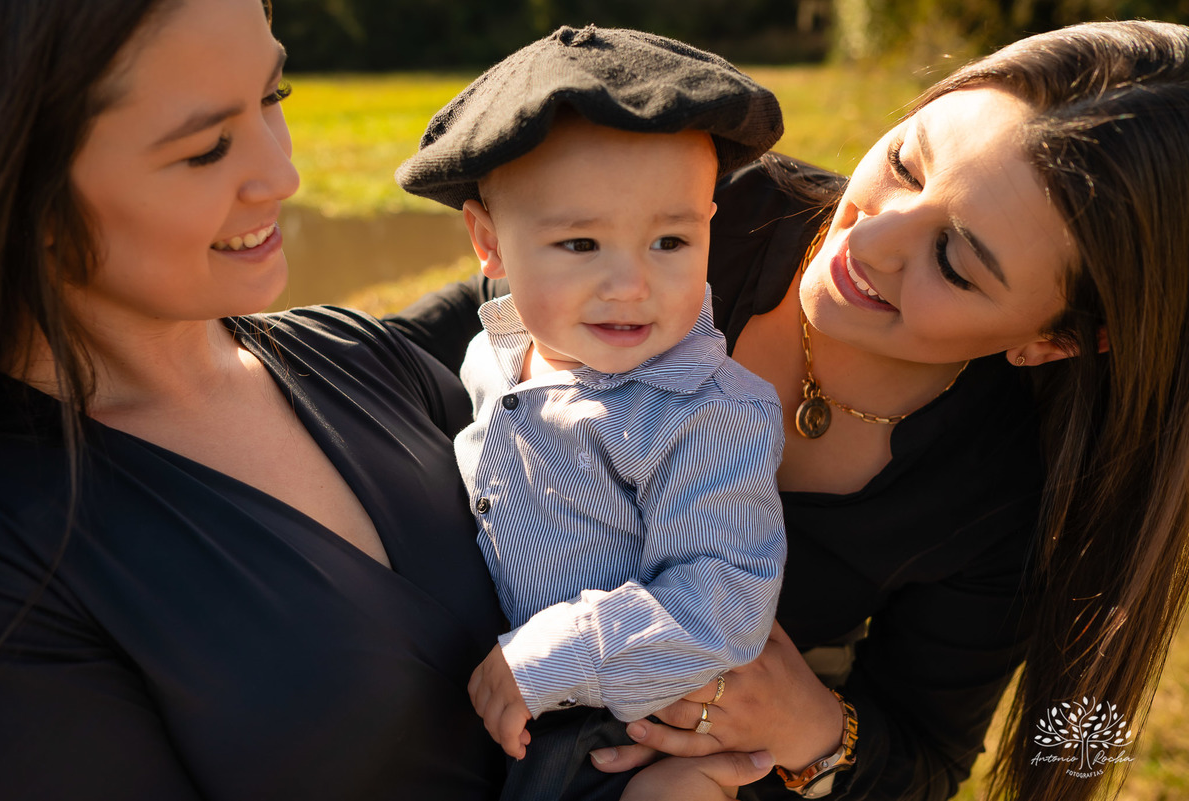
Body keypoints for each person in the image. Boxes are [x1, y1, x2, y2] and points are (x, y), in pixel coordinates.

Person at [390, 19, 1189, 801]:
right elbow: (437, 334)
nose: (869, 240)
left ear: (1054, 341)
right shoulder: (714, 208)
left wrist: (813, 727)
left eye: (953, 261)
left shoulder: (1001, 499)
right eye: (908, 164)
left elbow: (925, 758)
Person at [0, 0, 508, 798]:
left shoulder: (358, 355)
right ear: (30, 193)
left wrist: (765, 724)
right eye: (207, 149)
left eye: (275, 97)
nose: (283, 176)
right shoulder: (17, 548)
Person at [396, 26, 789, 800]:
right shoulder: (497, 353)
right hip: (492, 689)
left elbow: (725, 599)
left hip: (617, 725)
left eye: (670, 240)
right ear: (489, 242)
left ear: (710, 221)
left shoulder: (707, 412)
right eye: (580, 244)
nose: (630, 284)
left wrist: (556, 656)